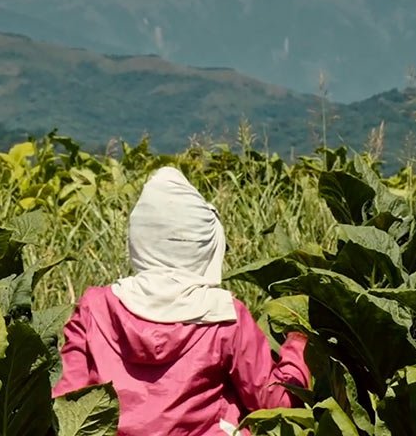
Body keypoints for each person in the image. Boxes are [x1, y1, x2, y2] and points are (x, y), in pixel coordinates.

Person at [52, 165, 310, 436]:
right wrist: (299, 345)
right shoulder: (224, 315)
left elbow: (68, 404)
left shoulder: (95, 307)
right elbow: (274, 403)